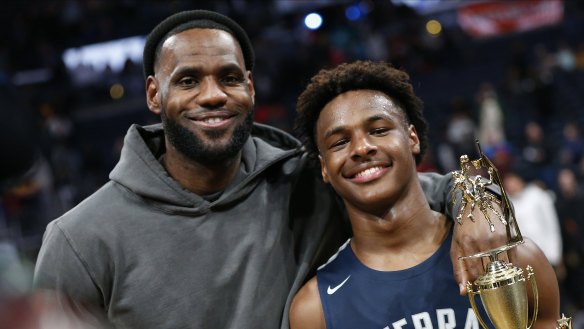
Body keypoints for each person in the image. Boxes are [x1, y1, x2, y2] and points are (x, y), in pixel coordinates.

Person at [33, 10, 508, 329]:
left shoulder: (305, 180)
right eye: (188, 80)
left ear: (251, 89)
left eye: (229, 77)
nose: (213, 95)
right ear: (155, 95)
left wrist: (477, 200)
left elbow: (428, 189)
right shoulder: (80, 241)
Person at [290, 61, 560, 329]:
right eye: (340, 142)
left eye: (379, 130)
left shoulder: (514, 260)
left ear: (412, 138)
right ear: (324, 167)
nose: (361, 147)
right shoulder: (315, 310)